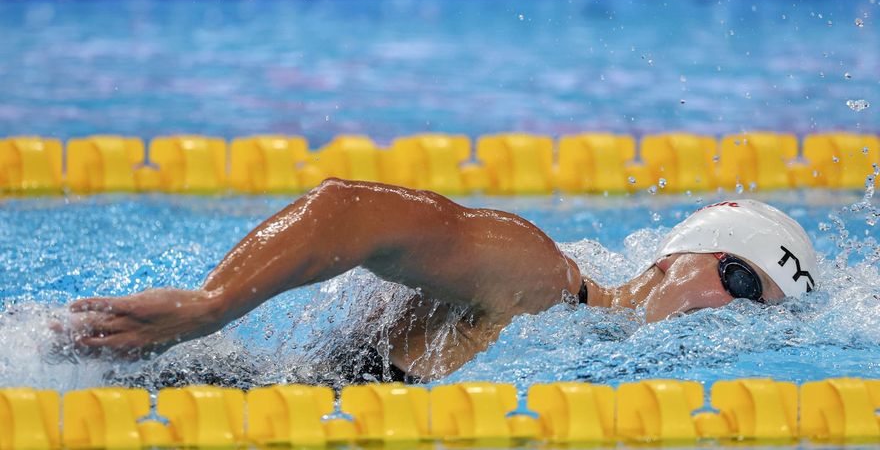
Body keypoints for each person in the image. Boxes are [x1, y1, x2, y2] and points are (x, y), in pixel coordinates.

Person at [67, 178, 817, 382]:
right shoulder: (545, 279)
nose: (733, 312)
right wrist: (212, 305)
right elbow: (349, 211)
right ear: (671, 258)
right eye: (737, 278)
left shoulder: (593, 352)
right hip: (197, 399)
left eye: (761, 310)